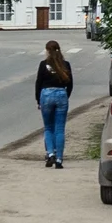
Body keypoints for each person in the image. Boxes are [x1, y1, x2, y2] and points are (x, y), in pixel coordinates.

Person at [34, 40, 71, 169]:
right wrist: (66, 97)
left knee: (48, 128)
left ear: (47, 51)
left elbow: (38, 83)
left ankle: (50, 154)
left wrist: (39, 100)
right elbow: (70, 84)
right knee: (59, 129)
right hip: (62, 95)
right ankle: (59, 159)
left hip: (46, 95)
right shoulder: (65, 65)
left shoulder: (43, 65)